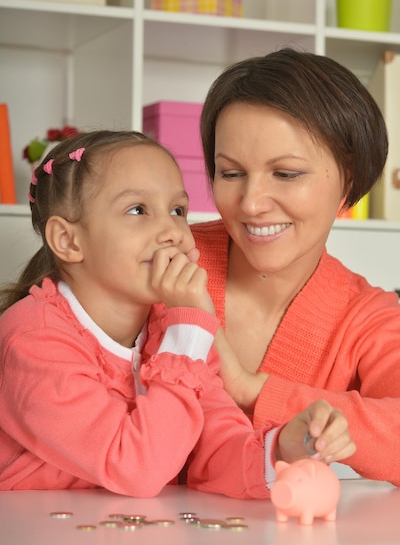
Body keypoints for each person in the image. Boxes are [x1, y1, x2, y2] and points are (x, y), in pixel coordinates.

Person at [0, 130, 354, 498]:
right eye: (137, 210)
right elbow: (136, 468)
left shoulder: (174, 331)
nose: (172, 231)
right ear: (69, 241)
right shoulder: (33, 340)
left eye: (178, 210)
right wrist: (188, 331)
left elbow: (217, 454)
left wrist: (284, 449)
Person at [191, 46, 400, 489]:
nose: (252, 204)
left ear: (348, 182)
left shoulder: (366, 319)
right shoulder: (160, 258)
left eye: (286, 174)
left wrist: (254, 390)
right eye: (231, 173)